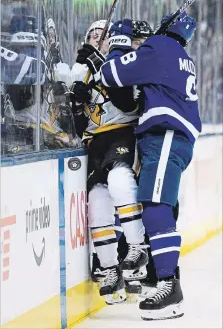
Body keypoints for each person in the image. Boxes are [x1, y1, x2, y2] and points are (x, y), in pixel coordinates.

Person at [101, 14, 202, 319]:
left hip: (166, 136)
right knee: (161, 206)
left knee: (156, 205)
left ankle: (169, 287)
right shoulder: (180, 55)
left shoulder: (160, 48)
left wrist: (118, 43)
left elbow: (111, 74)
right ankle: (163, 279)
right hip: (172, 138)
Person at [70, 19, 153, 304]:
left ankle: (136, 248)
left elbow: (129, 103)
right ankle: (109, 269)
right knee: (97, 202)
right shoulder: (81, 69)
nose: (97, 38)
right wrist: (75, 100)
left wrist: (100, 65)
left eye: (103, 35)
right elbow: (78, 121)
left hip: (123, 133)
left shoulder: (123, 64)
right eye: (92, 34)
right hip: (96, 142)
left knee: (120, 181)